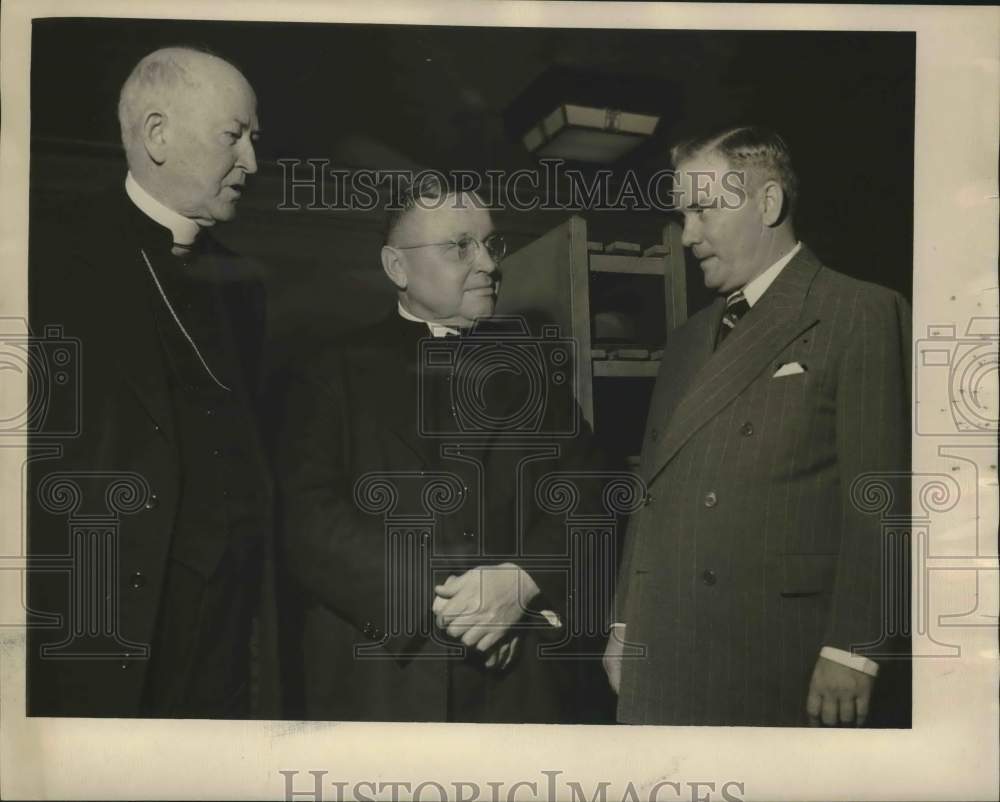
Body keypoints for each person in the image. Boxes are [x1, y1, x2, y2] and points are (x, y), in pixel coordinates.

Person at [603, 126, 911, 727]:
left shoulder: (861, 311)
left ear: (767, 204)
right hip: (664, 638)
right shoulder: (689, 337)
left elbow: (881, 496)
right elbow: (652, 493)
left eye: (701, 211)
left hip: (779, 650)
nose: (687, 235)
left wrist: (855, 647)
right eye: (681, 215)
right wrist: (624, 620)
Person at [275, 176, 610, 722]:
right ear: (396, 268)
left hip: (519, 685)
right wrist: (454, 609)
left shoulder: (534, 371)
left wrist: (522, 584)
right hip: (387, 681)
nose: (489, 264)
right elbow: (308, 521)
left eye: (490, 244)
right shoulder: (328, 371)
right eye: (460, 246)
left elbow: (591, 491)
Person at [28, 46, 276, 717]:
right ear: (158, 135)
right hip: (102, 628)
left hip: (226, 631)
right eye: (234, 137)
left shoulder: (245, 284)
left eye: (254, 139)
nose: (252, 162)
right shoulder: (42, 254)